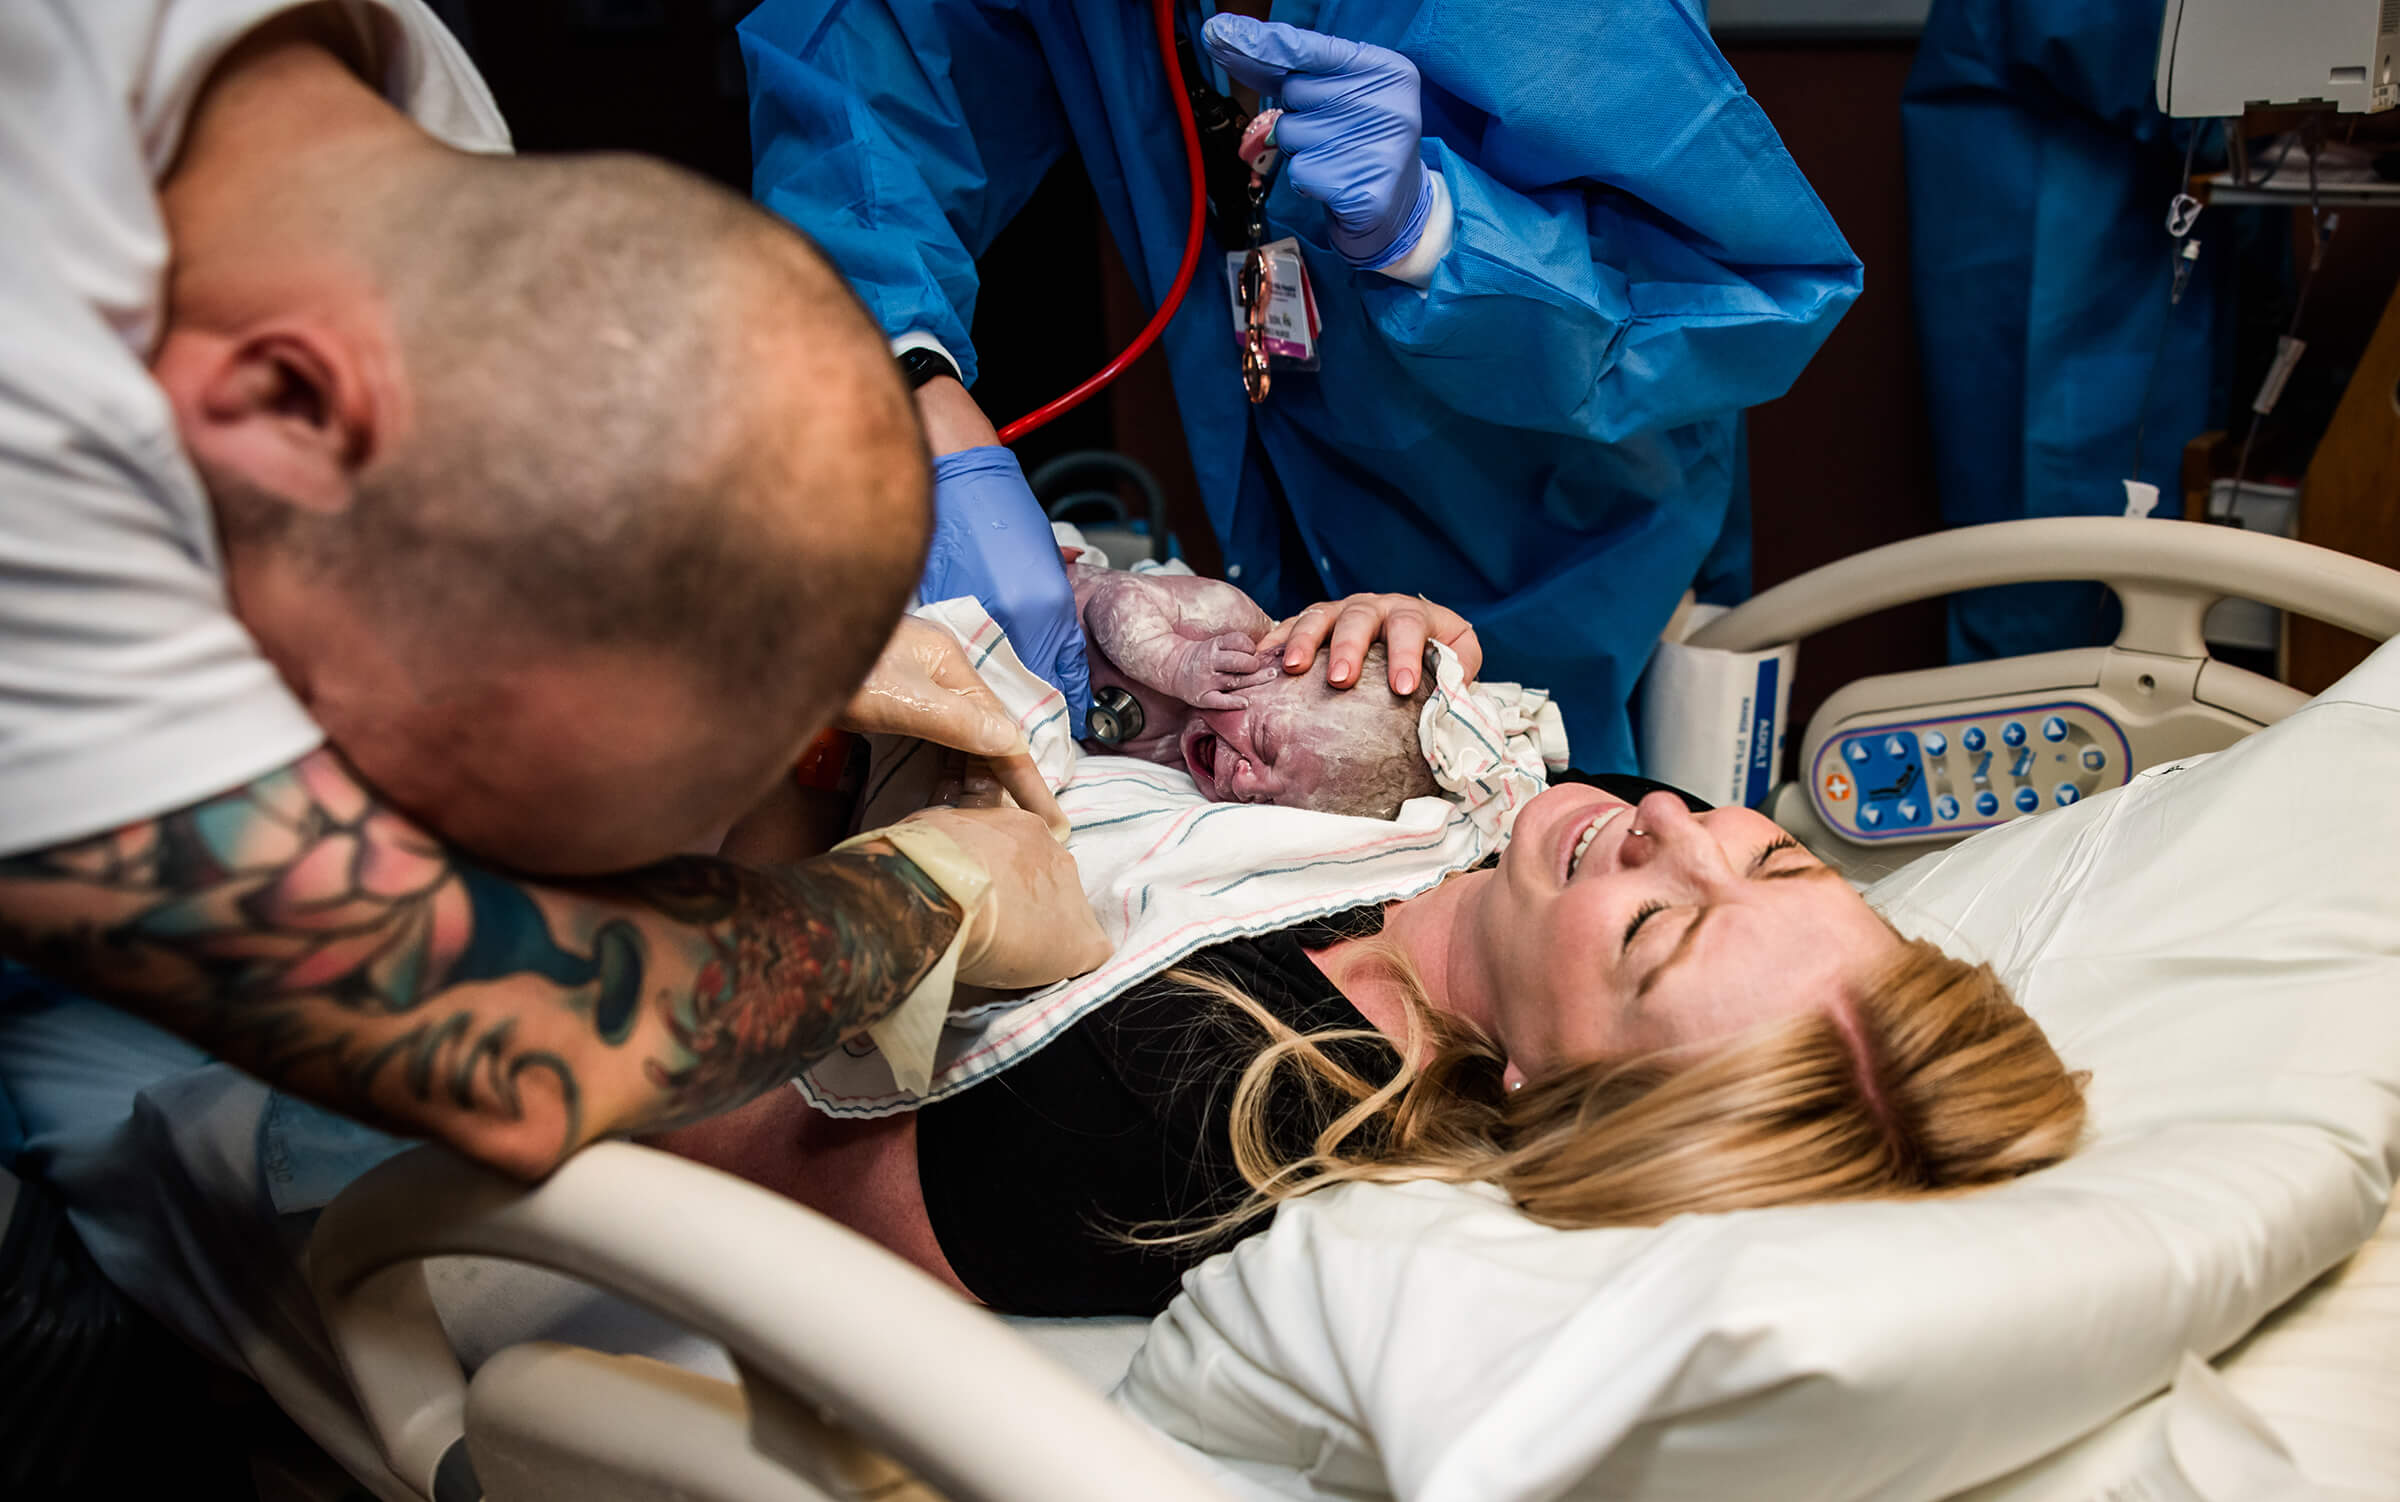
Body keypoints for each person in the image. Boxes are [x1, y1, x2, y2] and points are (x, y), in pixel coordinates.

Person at [0, 0, 1111, 1198]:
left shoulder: (390, 139)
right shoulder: (37, 417)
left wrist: (754, 636)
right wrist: (925, 900)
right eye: (365, 752)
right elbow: (502, 1035)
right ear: (280, 403)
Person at [738, 0, 1865, 771]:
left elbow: (1751, 291)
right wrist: (901, 369)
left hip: (1568, 550)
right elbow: (868, 70)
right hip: (1281, 515)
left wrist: (1441, 237)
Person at [661, 779, 2086, 1316]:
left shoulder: (1193, 1107)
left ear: (1555, 1092)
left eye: (1656, 932)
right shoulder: (1512, 857)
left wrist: (842, 818)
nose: (1670, 827)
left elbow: (706, 1148)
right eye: (1771, 853)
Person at [1904, 0, 2228, 663]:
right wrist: (2250, 113)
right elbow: (2095, 30)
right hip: (2057, 188)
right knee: (2048, 536)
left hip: (2115, 191)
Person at [1069, 550, 1437, 817]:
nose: (1245, 786)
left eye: (1269, 803)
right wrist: (1175, 661)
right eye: (1264, 741)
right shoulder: (1227, 623)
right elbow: (1116, 598)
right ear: (1276, 659)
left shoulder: (1189, 761)